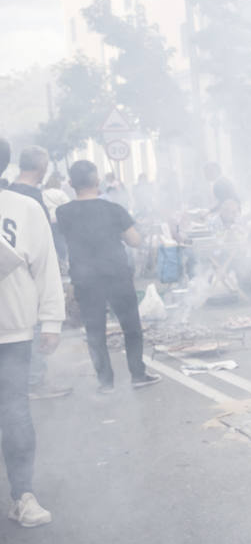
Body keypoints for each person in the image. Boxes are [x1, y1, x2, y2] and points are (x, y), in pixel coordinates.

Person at [0, 140, 65, 527]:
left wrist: (52, 320)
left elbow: (46, 266)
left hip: (12, 331)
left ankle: (22, 495)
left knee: (15, 413)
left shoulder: (24, 208)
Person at [56, 161, 160, 393]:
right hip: (116, 275)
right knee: (131, 326)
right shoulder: (113, 210)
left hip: (84, 279)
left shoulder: (63, 213)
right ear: (98, 181)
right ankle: (137, 375)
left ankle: (105, 382)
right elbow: (134, 240)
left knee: (95, 330)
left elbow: (66, 241)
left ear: (71, 183)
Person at [6, 148, 72, 400]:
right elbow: (42, 249)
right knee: (32, 326)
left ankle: (27, 382)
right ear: (42, 167)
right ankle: (34, 381)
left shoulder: (9, 193)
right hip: (28, 277)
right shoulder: (31, 200)